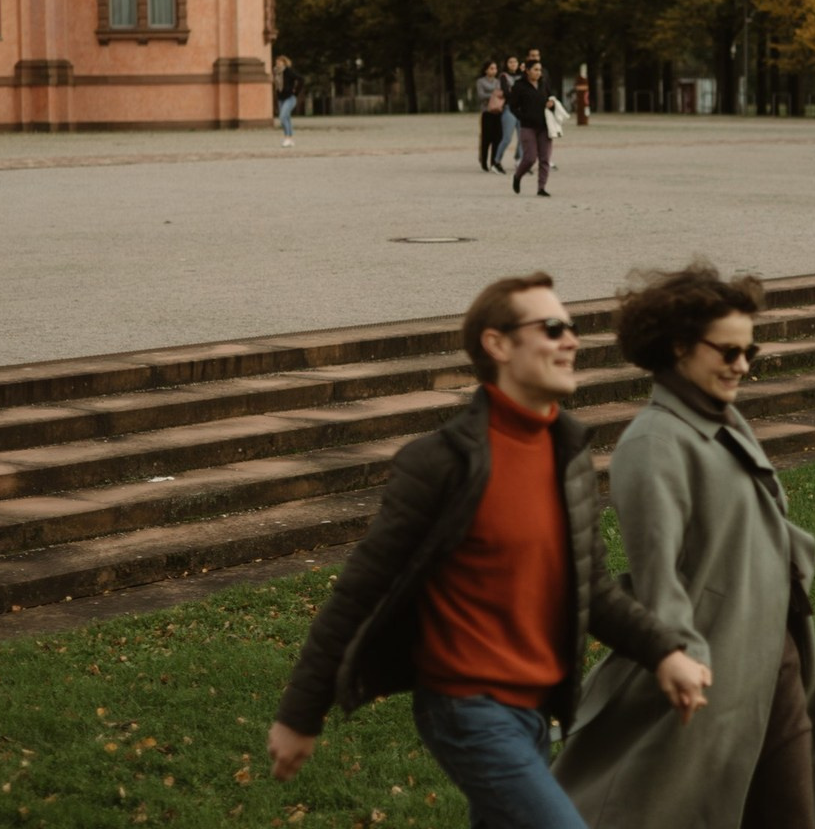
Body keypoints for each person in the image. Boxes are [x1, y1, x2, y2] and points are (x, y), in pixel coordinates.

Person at [267, 272, 711, 829]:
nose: (570, 340)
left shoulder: (567, 455)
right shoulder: (443, 463)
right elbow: (360, 592)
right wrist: (300, 716)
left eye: (571, 328)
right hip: (466, 708)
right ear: (497, 344)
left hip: (538, 715)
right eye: (551, 328)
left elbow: (591, 588)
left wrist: (665, 653)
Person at [554, 263, 815, 829]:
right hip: (713, 670)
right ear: (680, 346)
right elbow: (659, 576)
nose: (741, 366)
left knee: (790, 811)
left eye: (749, 354)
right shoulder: (655, 443)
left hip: (773, 655)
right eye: (727, 353)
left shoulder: (725, 419)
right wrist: (686, 658)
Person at [509, 59, 555, 197]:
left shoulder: (543, 83)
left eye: (540, 70)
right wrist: (522, 117)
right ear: (527, 71)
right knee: (529, 158)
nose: (538, 73)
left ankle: (541, 188)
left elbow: (551, 97)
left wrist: (552, 103)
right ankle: (517, 176)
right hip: (527, 126)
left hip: (545, 126)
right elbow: (512, 106)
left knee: (545, 158)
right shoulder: (519, 86)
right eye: (535, 69)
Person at [494, 54, 522, 172]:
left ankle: (519, 160)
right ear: (506, 63)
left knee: (523, 137)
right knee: (507, 138)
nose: (513, 64)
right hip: (509, 109)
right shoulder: (503, 76)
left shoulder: (522, 75)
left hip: (521, 109)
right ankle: (497, 161)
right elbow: (507, 93)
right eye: (510, 62)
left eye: (515, 61)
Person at [476, 60, 505, 172]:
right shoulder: (480, 82)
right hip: (486, 112)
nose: (494, 70)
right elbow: (481, 95)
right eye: (491, 68)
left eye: (495, 68)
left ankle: (494, 161)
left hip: (497, 112)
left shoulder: (498, 82)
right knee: (486, 138)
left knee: (497, 138)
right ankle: (483, 161)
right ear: (486, 70)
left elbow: (502, 94)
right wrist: (494, 94)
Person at [274, 55, 302, 148]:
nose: (278, 63)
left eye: (280, 62)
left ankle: (287, 138)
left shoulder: (288, 71)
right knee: (286, 118)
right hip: (281, 98)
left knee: (282, 117)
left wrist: (296, 91)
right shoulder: (276, 72)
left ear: (284, 63)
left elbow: (301, 79)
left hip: (290, 98)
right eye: (277, 61)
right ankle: (290, 139)